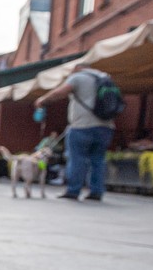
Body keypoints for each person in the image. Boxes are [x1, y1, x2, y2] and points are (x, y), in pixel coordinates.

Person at [34, 65, 118, 201]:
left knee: (76, 158)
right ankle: (96, 191)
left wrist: (42, 100)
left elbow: (60, 92)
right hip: (106, 127)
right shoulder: (106, 78)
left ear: (76, 69)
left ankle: (73, 190)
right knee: (98, 160)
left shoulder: (78, 77)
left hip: (82, 126)